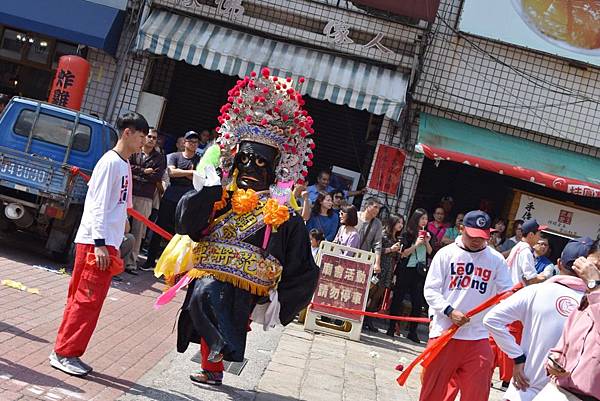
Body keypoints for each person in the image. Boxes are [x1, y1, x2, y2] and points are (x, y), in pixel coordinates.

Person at [152, 67, 318, 386]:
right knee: (203, 298)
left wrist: (280, 301)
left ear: (273, 169)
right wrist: (209, 192)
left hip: (249, 282)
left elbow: (304, 266)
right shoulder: (222, 197)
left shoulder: (281, 213)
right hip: (214, 269)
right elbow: (188, 223)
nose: (251, 169)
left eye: (260, 164)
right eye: (245, 161)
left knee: (209, 297)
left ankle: (220, 356)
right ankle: (215, 366)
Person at [49, 112, 149, 376]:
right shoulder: (111, 163)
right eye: (141, 136)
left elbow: (119, 204)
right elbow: (97, 207)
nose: (144, 142)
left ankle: (65, 350)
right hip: (96, 245)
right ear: (127, 132)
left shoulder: (124, 164)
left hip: (105, 243)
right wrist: (101, 244)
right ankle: (65, 353)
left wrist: (122, 228)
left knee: (86, 300)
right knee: (86, 300)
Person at [419, 210, 514, 401]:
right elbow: (431, 290)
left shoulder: (496, 260)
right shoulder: (446, 254)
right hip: (445, 333)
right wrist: (449, 311)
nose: (477, 241)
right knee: (433, 392)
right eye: (472, 235)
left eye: (482, 236)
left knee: (477, 391)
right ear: (461, 229)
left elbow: (507, 293)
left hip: (478, 335)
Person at [483, 237, 592, 401]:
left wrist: (518, 356)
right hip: (563, 395)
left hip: (523, 388)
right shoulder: (593, 306)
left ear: (559, 263)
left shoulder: (536, 291)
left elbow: (491, 319)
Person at [534, 239, 600, 401]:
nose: (593, 272)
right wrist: (553, 361)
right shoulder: (585, 300)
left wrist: (595, 286)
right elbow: (564, 344)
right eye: (592, 267)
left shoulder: (594, 293)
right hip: (558, 391)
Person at [141, 131, 200, 271]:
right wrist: (191, 172)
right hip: (170, 196)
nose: (193, 144)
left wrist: (185, 173)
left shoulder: (200, 159)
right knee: (159, 228)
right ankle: (150, 261)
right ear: (184, 142)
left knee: (180, 233)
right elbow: (171, 173)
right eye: (190, 141)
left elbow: (199, 177)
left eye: (196, 142)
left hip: (188, 199)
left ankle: (172, 266)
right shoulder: (174, 156)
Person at [387, 208, 432, 342]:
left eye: (426, 218)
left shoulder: (427, 234)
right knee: (398, 298)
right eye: (422, 218)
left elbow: (430, 252)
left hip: (419, 271)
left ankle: (413, 331)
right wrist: (417, 244)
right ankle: (391, 327)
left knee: (417, 301)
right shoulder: (408, 234)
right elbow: (403, 253)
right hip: (406, 269)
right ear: (416, 219)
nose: (425, 221)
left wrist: (427, 242)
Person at [127, 128, 166, 273]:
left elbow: (156, 177)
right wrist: (143, 171)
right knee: (121, 226)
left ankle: (131, 262)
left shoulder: (159, 158)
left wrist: (137, 172)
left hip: (145, 197)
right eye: (149, 136)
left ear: (157, 141)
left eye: (154, 138)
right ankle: (116, 258)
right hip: (129, 193)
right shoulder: (134, 151)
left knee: (139, 231)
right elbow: (127, 167)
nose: (151, 139)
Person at [372, 214, 404, 336]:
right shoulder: (384, 235)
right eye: (398, 222)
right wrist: (391, 249)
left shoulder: (397, 238)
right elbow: (377, 250)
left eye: (402, 223)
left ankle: (370, 318)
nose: (400, 225)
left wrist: (398, 252)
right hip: (380, 267)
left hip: (389, 269)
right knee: (372, 292)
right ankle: (365, 317)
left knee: (379, 295)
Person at [507, 219, 548, 286]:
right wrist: (545, 276)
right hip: (515, 291)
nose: (539, 237)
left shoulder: (519, 246)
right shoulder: (526, 252)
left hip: (510, 288)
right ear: (531, 234)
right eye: (539, 234)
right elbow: (531, 280)